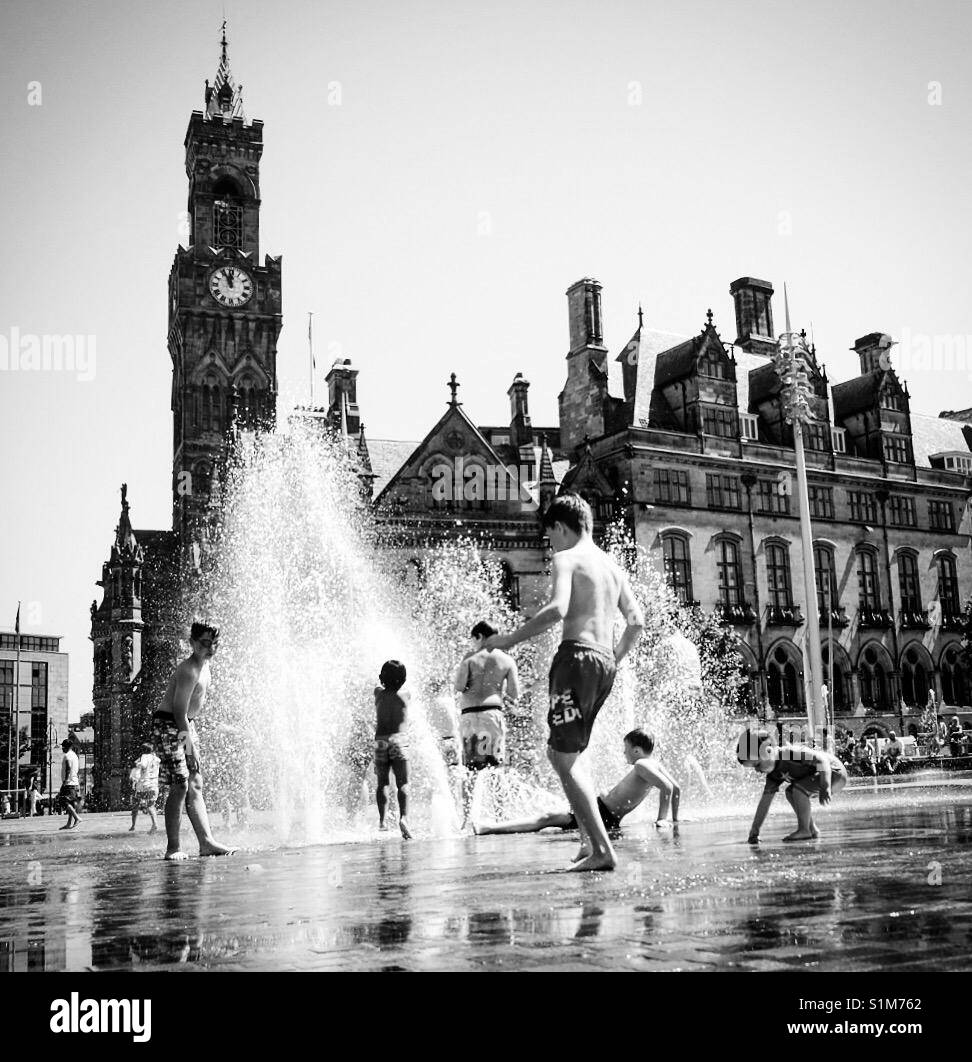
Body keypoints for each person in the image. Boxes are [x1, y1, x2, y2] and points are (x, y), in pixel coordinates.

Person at [485, 493, 645, 872]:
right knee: (567, 756)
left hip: (576, 658)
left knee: (561, 758)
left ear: (560, 526)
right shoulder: (611, 567)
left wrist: (506, 641)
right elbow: (636, 621)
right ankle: (589, 839)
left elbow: (558, 609)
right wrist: (614, 659)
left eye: (549, 536)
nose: (549, 545)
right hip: (603, 661)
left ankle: (602, 850)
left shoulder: (566, 558)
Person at [475, 729, 680, 836]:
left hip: (601, 813)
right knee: (549, 818)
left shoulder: (641, 765)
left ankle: (488, 828)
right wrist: (675, 818)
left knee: (546, 818)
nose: (623, 752)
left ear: (636, 750)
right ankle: (489, 827)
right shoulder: (654, 764)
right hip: (605, 813)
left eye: (625, 748)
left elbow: (668, 788)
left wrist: (662, 819)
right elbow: (676, 789)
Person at [150, 621, 234, 860]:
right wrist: (189, 748)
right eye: (205, 643)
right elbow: (177, 712)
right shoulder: (189, 670)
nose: (210, 648)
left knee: (196, 782)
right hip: (168, 724)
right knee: (180, 784)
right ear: (192, 643)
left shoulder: (205, 667)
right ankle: (173, 848)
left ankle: (206, 842)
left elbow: (188, 713)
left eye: (215, 644)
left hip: (186, 724)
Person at [737, 728, 848, 843]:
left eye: (757, 764)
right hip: (823, 778)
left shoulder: (790, 753)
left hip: (834, 772)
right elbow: (764, 804)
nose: (757, 770)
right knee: (790, 792)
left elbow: (822, 760)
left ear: (768, 751)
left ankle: (804, 830)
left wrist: (825, 785)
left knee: (798, 788)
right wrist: (754, 831)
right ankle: (811, 829)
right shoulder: (773, 775)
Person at [455, 620, 520, 770]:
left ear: (479, 636)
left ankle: (467, 794)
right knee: (495, 768)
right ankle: (497, 794)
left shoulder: (470, 658)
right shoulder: (507, 660)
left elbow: (459, 686)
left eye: (472, 640)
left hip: (470, 717)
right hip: (492, 716)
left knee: (470, 770)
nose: (472, 644)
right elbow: (513, 693)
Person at [374, 659, 412, 839]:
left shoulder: (378, 694)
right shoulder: (406, 695)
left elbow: (378, 686)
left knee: (382, 783)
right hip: (399, 740)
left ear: (382, 677)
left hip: (380, 741)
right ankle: (404, 818)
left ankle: (382, 822)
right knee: (402, 783)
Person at [129, 742, 160, 833]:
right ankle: (155, 824)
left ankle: (133, 825)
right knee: (151, 805)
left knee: (135, 804)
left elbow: (142, 765)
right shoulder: (157, 759)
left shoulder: (144, 757)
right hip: (154, 785)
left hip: (144, 785)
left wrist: (138, 764)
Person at [58, 739, 82, 830]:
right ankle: (69, 823)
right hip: (74, 782)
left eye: (63, 747)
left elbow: (68, 768)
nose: (62, 748)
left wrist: (65, 781)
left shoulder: (67, 756)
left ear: (67, 747)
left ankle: (77, 818)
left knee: (64, 801)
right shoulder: (74, 755)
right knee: (70, 803)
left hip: (68, 783)